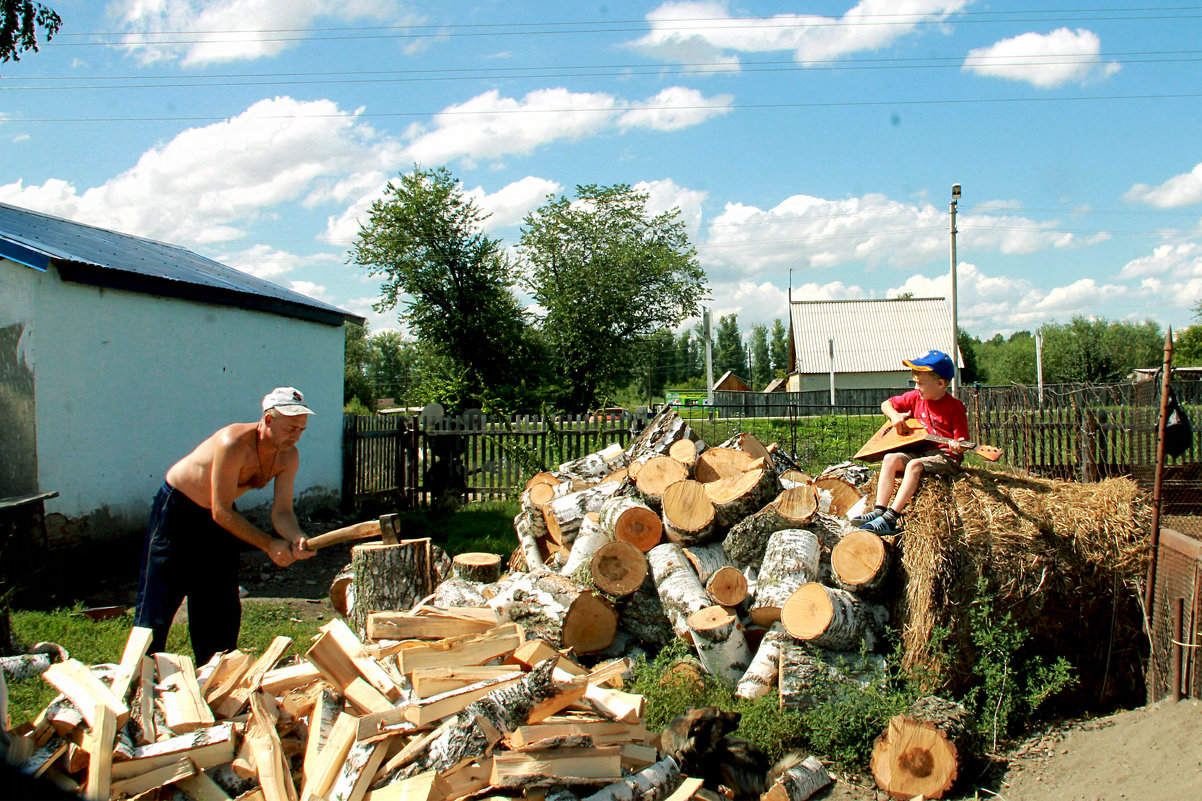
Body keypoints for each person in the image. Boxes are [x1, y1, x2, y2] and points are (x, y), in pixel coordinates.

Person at [134, 387, 316, 664]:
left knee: (219, 602)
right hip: (178, 511)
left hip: (220, 515)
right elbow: (220, 512)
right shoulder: (233, 443)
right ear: (268, 420)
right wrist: (269, 544)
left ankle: (214, 677)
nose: (296, 435)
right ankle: (137, 680)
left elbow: (281, 512)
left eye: (301, 429)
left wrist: (297, 537)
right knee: (159, 601)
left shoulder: (288, 456)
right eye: (291, 427)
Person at [854, 351, 969, 536]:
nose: (916, 387)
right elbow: (886, 404)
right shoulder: (915, 398)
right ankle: (879, 510)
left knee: (915, 465)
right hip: (920, 450)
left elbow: (962, 441)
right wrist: (895, 416)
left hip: (945, 456)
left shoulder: (955, 408)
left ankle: (891, 518)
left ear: (941, 384)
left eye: (921, 383)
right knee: (890, 458)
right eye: (915, 383)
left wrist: (958, 445)